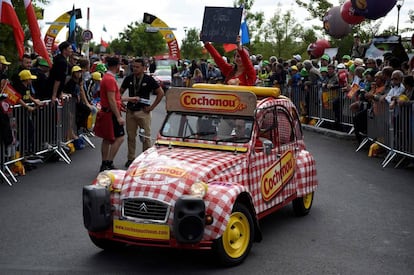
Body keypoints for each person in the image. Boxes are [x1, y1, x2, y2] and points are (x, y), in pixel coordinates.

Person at [120, 58, 164, 168]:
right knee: (131, 136)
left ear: (144, 68)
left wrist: (152, 107)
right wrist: (124, 102)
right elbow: (118, 94)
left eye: (137, 67)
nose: (134, 69)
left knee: (146, 137)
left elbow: (160, 93)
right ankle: (130, 158)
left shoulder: (149, 79)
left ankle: (147, 160)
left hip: (143, 112)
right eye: (133, 67)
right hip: (130, 111)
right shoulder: (129, 78)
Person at [96, 56, 125, 172]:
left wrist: (127, 100)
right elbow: (111, 100)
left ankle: (105, 163)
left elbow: (114, 99)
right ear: (117, 66)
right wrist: (118, 116)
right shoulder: (110, 79)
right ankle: (108, 161)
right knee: (120, 137)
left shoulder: (107, 78)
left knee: (107, 139)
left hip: (107, 111)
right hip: (111, 114)